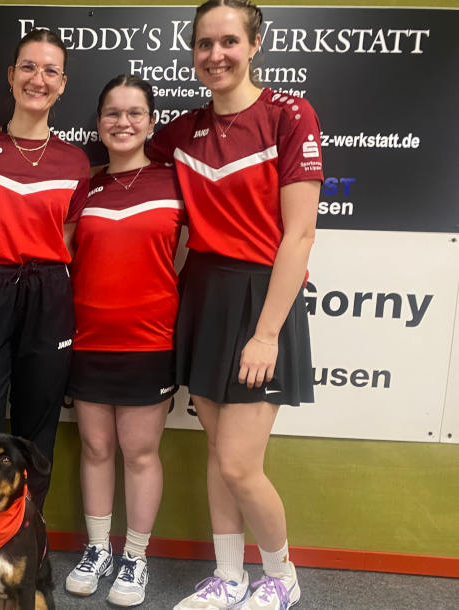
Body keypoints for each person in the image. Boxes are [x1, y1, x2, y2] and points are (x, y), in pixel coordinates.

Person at [147, 2, 323, 609]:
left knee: (241, 465)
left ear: (254, 45)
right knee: (221, 459)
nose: (215, 55)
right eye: (203, 44)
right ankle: (228, 576)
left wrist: (268, 333)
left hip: (261, 301)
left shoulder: (287, 115)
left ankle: (281, 577)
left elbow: (298, 235)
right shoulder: (181, 131)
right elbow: (127, 168)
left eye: (228, 42)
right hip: (202, 296)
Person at [0, 29, 90, 512]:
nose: (38, 79)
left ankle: (28, 544)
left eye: (50, 70)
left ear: (63, 83)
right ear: (11, 76)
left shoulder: (75, 162)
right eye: (29, 67)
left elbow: (68, 239)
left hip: (48, 291)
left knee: (36, 428)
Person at [63, 75, 184, 607]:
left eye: (135, 113)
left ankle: (135, 556)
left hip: (150, 340)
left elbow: (189, 256)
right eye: (112, 113)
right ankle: (98, 549)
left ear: (151, 123)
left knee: (139, 453)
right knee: (94, 448)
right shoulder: (83, 187)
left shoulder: (175, 182)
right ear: (98, 123)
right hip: (88, 338)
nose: (123, 123)